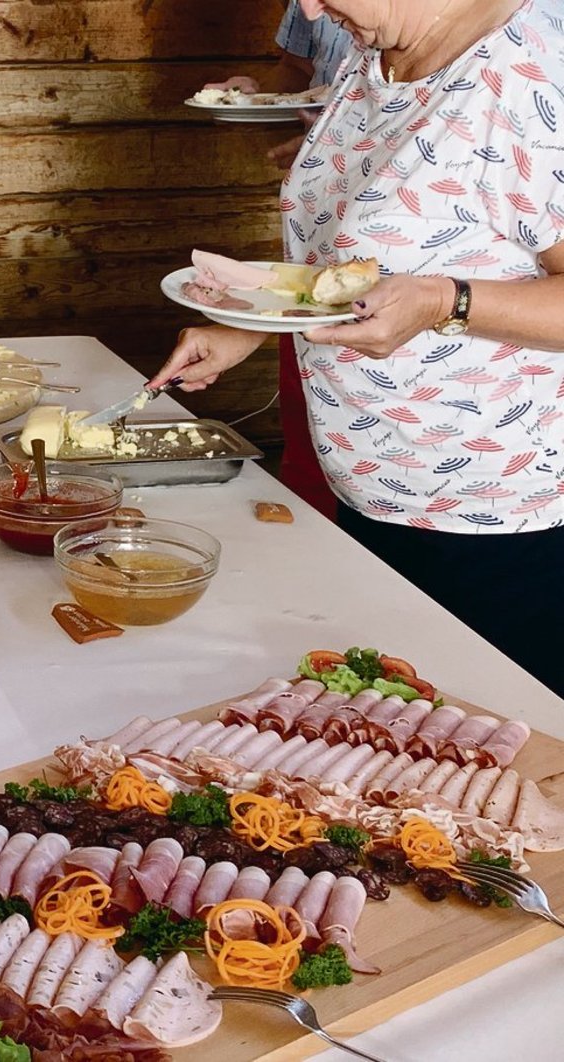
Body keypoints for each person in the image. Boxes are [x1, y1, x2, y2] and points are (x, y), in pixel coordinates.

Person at [152, 0, 564, 695]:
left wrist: (445, 301)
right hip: (372, 499)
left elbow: (435, 278)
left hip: (495, 523)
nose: (308, 8)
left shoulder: (528, 80)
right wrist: (252, 325)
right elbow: (354, 256)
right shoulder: (378, 60)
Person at [204, 4, 356, 518]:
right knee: (311, 402)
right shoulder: (314, 6)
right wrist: (262, 95)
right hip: (322, 225)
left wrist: (339, 150)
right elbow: (297, 76)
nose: (310, 7)